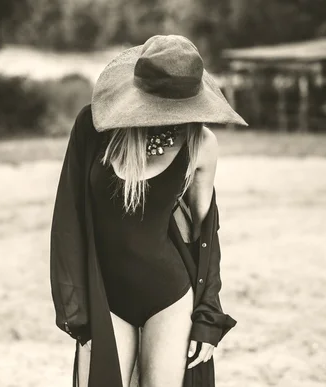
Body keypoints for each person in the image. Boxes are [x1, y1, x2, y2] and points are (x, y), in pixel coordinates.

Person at [50, 34, 247, 387]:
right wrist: (76, 309)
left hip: (169, 296)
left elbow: (203, 236)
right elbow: (69, 218)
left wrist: (207, 315)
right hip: (106, 296)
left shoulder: (201, 143)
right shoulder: (95, 127)